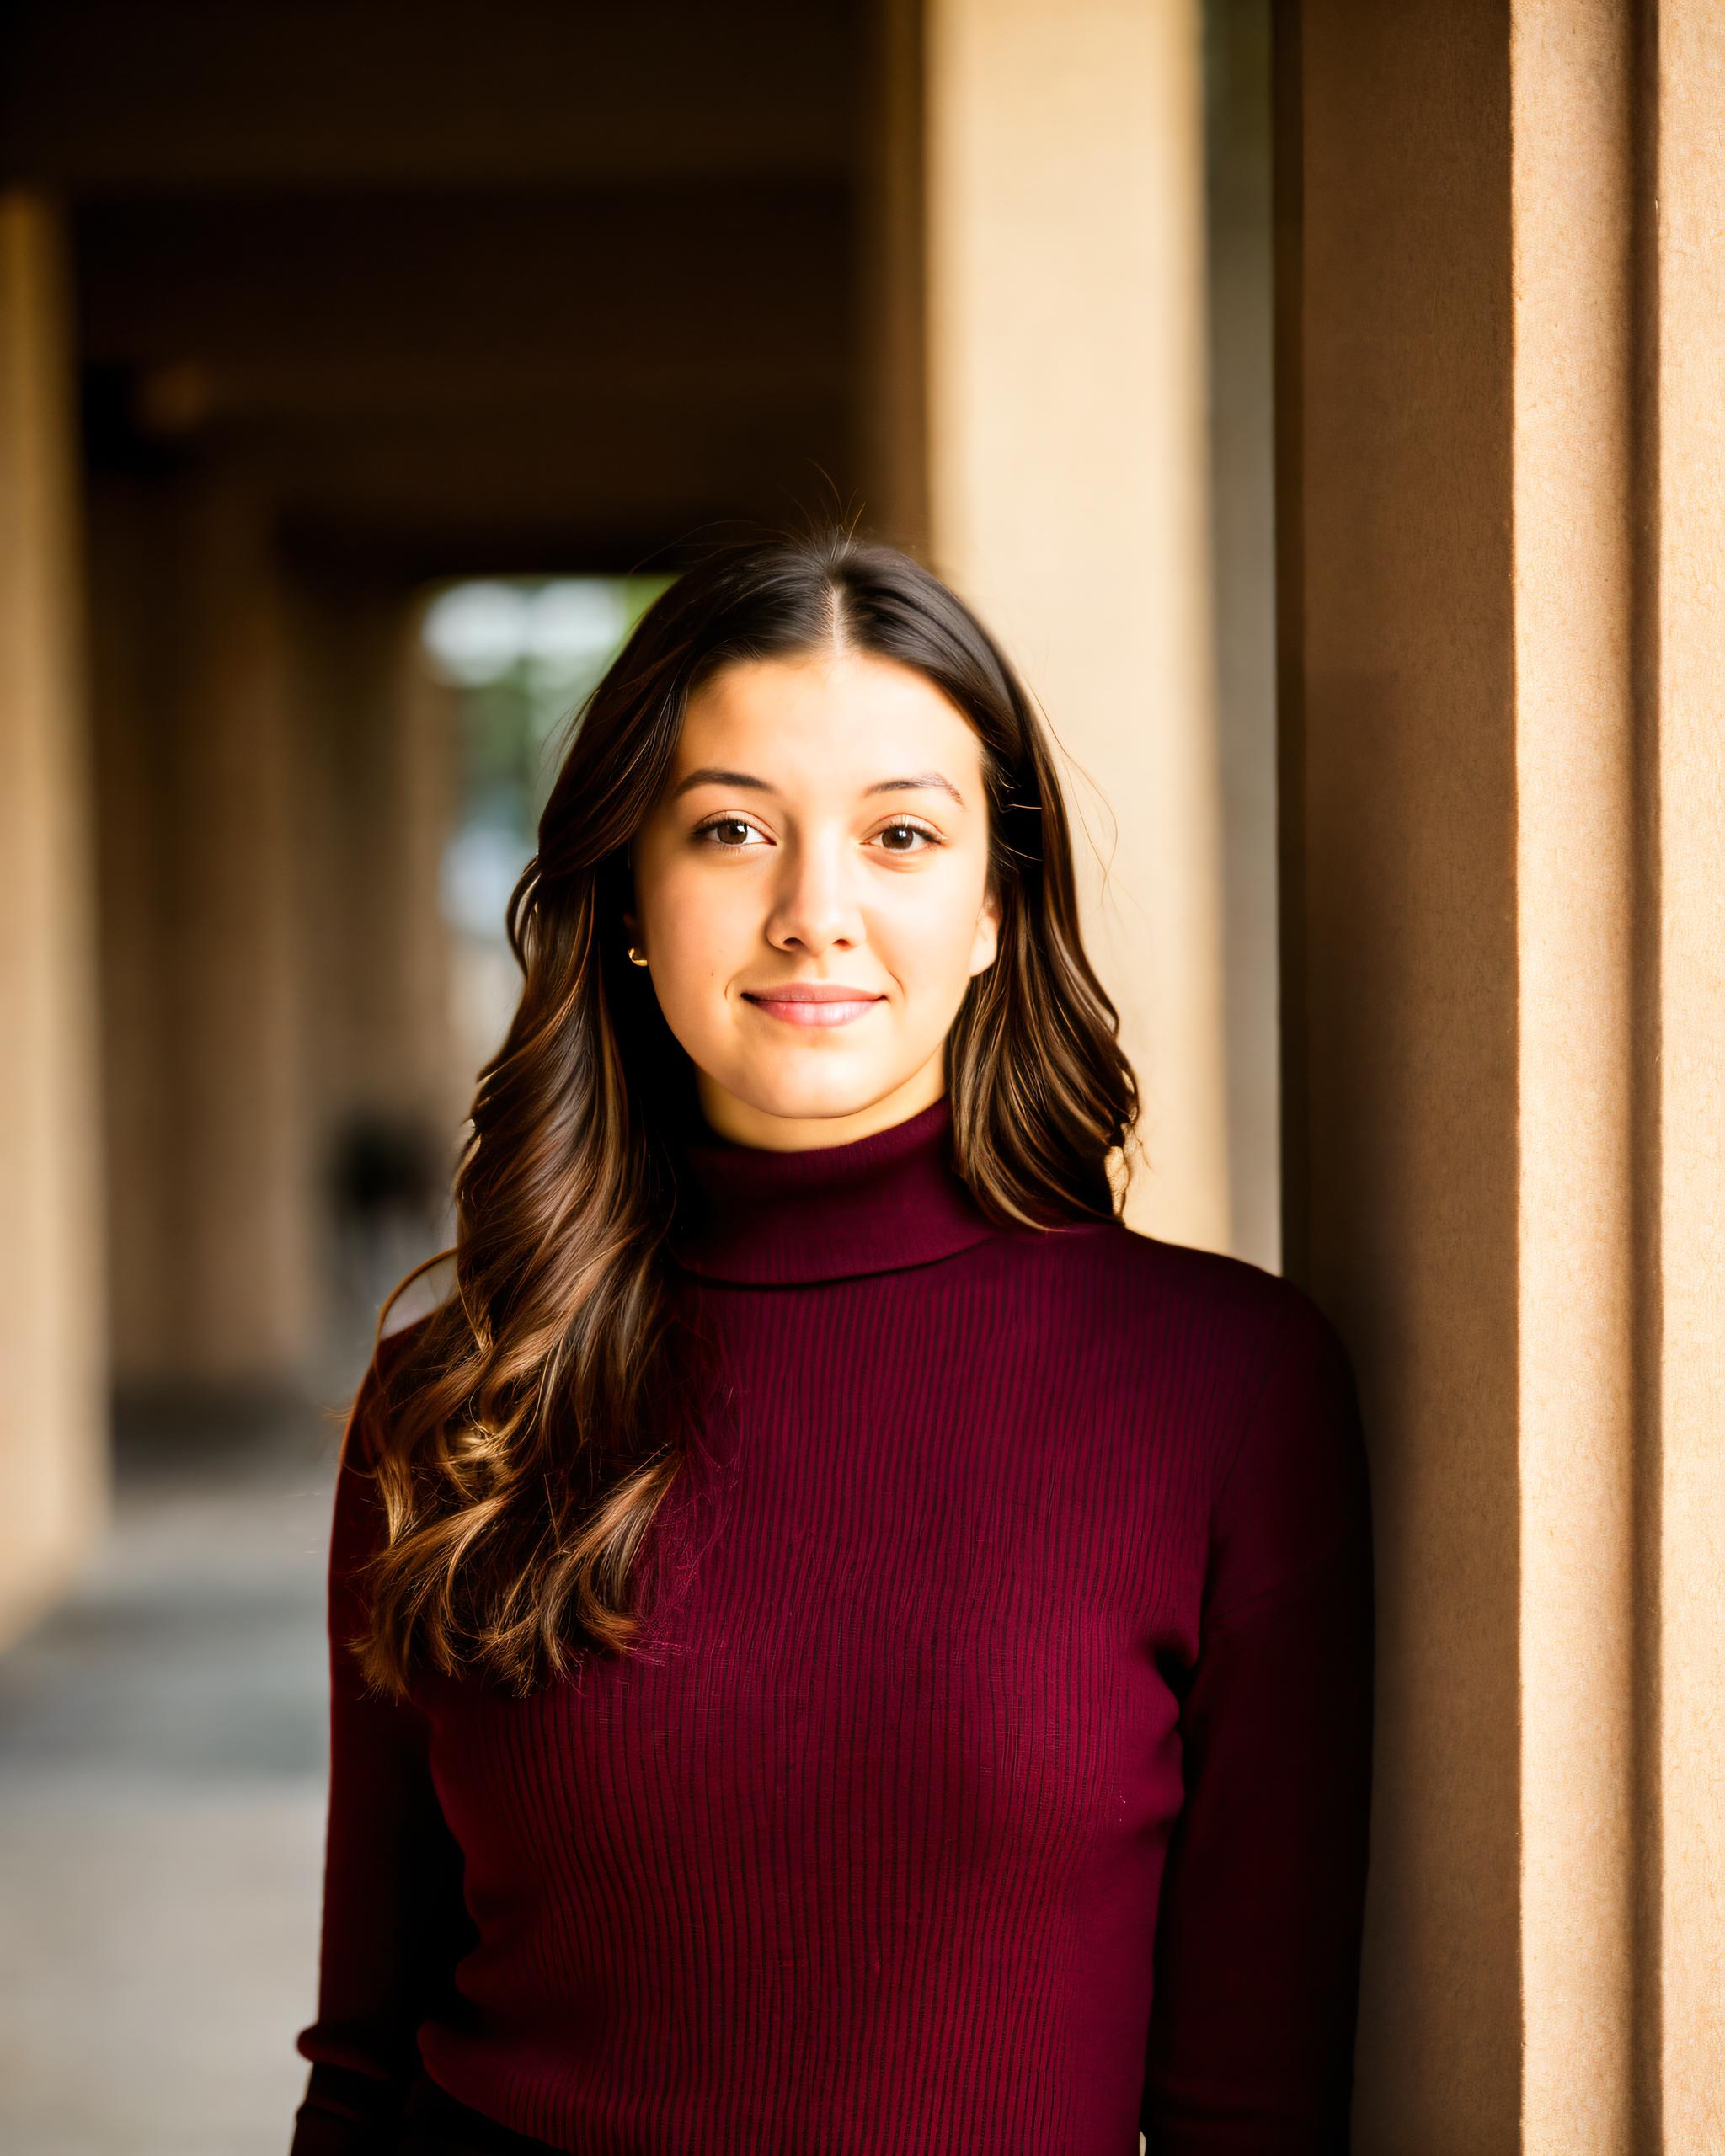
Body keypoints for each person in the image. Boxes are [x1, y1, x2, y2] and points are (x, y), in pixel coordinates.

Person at [290, 526, 1375, 2156]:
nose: (815, 912)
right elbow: (367, 2060)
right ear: (631, 897)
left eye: (901, 836)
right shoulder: (464, 1392)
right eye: (732, 830)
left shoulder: (1225, 1388)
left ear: (997, 907)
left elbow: (1253, 2106)